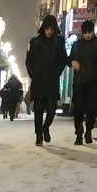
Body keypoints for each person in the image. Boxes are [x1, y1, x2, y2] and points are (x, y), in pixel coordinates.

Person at [25, 14, 67, 146]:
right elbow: (29, 61)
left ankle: (45, 127)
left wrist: (56, 73)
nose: (49, 31)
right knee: (38, 110)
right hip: (38, 81)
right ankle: (38, 135)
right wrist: (33, 74)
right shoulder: (35, 42)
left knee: (52, 109)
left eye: (52, 29)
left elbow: (63, 60)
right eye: (47, 28)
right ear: (43, 28)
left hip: (52, 81)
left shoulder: (59, 42)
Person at [69, 19, 97, 145]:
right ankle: (79, 133)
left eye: (90, 32)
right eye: (85, 32)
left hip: (93, 82)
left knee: (92, 109)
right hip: (79, 82)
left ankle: (89, 130)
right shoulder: (77, 45)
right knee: (78, 109)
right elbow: (70, 58)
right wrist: (72, 63)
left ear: (93, 32)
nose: (87, 35)